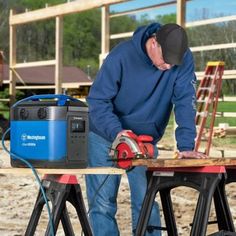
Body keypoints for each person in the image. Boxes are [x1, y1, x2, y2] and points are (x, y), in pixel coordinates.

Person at [85, 22, 207, 236]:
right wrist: (116, 132)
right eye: (166, 61)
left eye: (173, 63)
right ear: (154, 43)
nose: (169, 67)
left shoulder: (182, 58)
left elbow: (185, 100)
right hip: (105, 134)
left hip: (144, 139)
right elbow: (97, 100)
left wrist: (186, 145)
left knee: (147, 200)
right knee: (103, 204)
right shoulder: (121, 56)